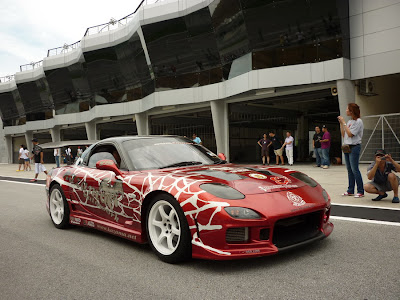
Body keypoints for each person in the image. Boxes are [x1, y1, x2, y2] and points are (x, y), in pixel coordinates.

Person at [338, 103, 364, 198]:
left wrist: (344, 122)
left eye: (347, 109)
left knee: (355, 169)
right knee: (349, 169)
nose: (346, 111)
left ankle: (360, 190)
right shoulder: (349, 122)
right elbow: (343, 134)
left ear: (352, 111)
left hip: (354, 147)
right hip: (347, 147)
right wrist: (342, 124)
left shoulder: (358, 122)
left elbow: (350, 134)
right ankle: (350, 190)